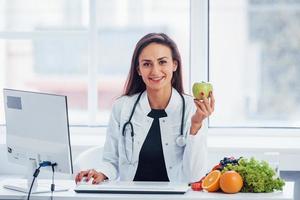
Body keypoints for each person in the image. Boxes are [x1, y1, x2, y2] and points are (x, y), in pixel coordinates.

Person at [75, 33, 215, 184]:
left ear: (174, 65)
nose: (155, 71)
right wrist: (101, 173)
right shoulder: (122, 107)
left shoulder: (193, 109)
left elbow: (193, 176)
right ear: (139, 69)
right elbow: (111, 160)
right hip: (132, 195)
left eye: (162, 62)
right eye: (147, 64)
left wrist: (196, 125)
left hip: (175, 196)